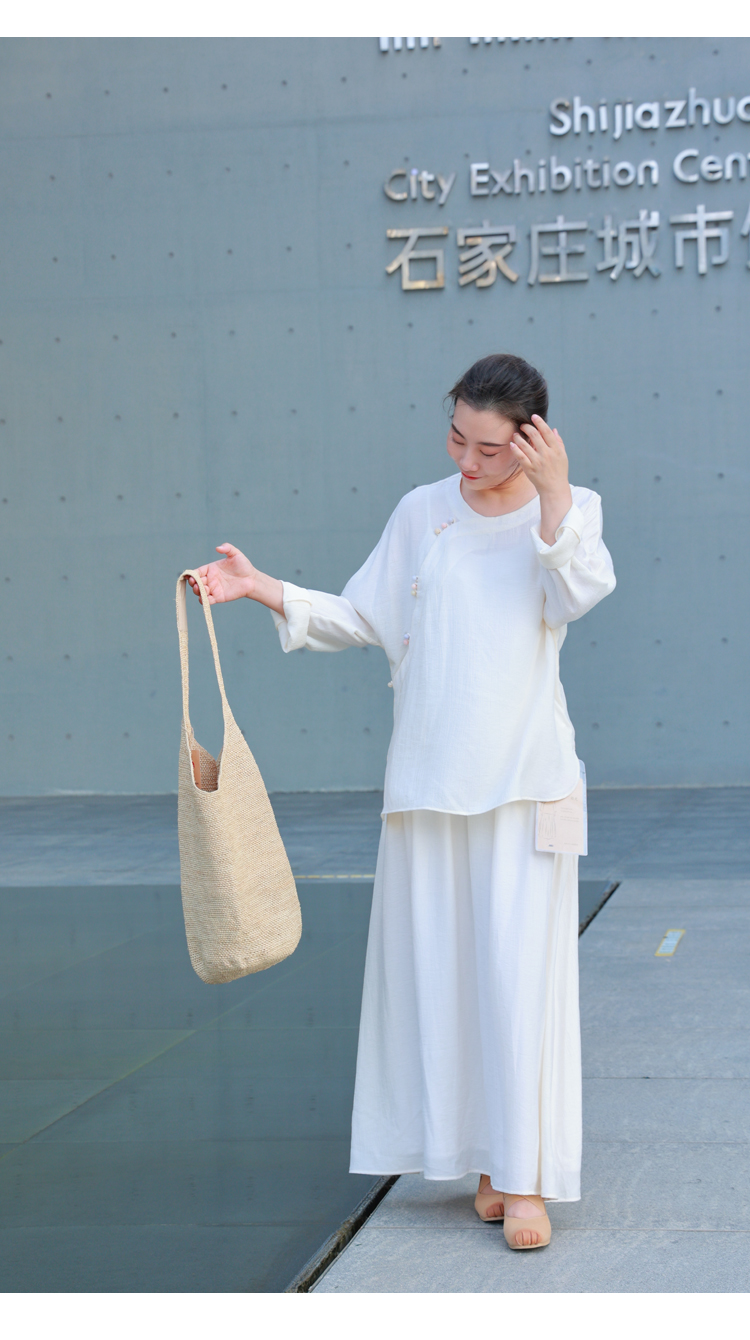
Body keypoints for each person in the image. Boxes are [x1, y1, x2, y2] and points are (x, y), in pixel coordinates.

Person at [188, 352, 616, 1250]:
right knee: (446, 983)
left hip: (525, 785)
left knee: (519, 984)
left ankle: (525, 1177)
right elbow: (364, 616)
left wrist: (553, 495)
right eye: (457, 438)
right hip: (427, 783)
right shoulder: (421, 512)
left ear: (533, 442)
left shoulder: (570, 511)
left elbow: (575, 594)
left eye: (490, 449)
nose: (468, 461)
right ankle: (486, 1162)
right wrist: (262, 588)